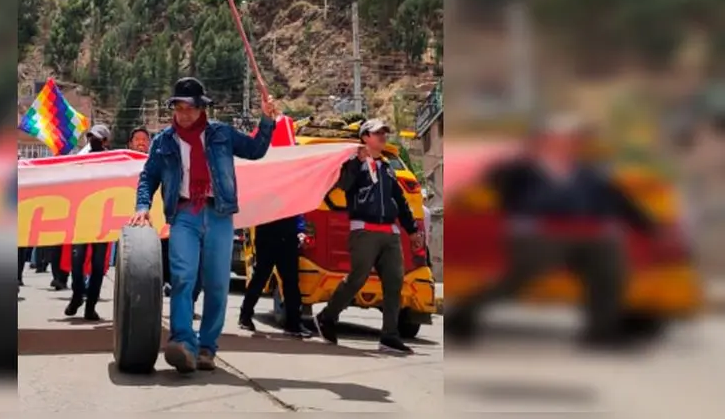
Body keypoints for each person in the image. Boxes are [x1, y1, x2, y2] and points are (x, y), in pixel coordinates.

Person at [444, 114, 660, 347]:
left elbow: (618, 199)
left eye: (571, 140)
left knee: (609, 265)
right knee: (519, 277)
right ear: (541, 141)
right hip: (537, 233)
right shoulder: (517, 170)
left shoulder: (588, 173)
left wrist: (646, 225)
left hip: (586, 233)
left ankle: (601, 331)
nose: (565, 145)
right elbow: (487, 190)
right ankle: (463, 314)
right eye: (558, 139)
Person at [127, 77, 276, 374]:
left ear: (202, 108)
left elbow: (256, 149)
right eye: (179, 108)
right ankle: (183, 342)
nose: (184, 114)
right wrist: (142, 206)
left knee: (217, 284)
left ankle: (207, 347)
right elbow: (148, 177)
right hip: (184, 214)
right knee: (183, 277)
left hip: (219, 214)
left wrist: (267, 119)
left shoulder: (221, 134)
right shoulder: (163, 142)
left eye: (190, 108)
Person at [314, 119, 423, 354]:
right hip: (364, 230)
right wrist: (356, 162)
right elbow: (342, 185)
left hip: (390, 233)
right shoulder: (354, 163)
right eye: (377, 133)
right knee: (357, 279)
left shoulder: (387, 167)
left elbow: (401, 202)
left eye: (385, 132)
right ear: (365, 137)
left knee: (394, 283)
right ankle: (327, 317)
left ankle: (389, 337)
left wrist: (413, 230)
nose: (383, 136)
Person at [64, 123, 113, 321]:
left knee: (98, 266)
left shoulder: (113, 161)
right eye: (91, 136)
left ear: (105, 141)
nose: (93, 140)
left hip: (103, 220)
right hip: (82, 218)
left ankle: (90, 306)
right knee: (77, 261)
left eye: (98, 138)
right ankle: (77, 295)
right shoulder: (80, 158)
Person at [238, 214, 312, 338]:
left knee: (291, 281)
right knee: (261, 277)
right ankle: (245, 316)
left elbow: (297, 209)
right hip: (268, 233)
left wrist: (300, 230)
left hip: (287, 235)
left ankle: (293, 324)